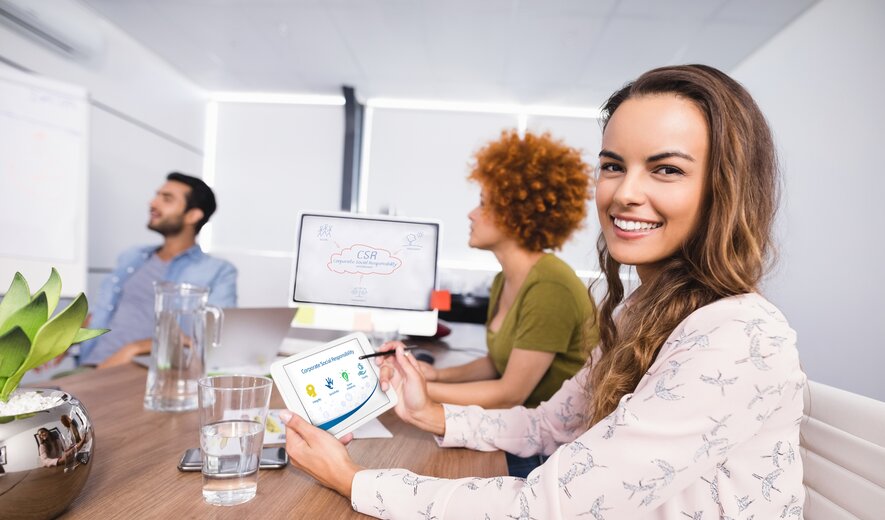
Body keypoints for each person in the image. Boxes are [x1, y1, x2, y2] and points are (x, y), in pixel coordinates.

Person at [279, 64, 807, 519]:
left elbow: (547, 506)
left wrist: (354, 481)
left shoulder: (738, 335)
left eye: (666, 169)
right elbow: (549, 424)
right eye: (612, 166)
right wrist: (425, 411)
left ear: (725, 187)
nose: (623, 193)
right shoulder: (642, 311)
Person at [401, 130, 597, 413]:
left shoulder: (550, 287)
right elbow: (499, 363)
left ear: (516, 212)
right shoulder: (503, 280)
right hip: (515, 425)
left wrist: (411, 389)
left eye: (483, 203)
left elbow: (509, 395)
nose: (471, 214)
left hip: (549, 442)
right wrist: (435, 375)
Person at [78, 172, 237, 368]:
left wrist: (135, 348)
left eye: (167, 199)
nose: (153, 203)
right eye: (157, 195)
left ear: (193, 215)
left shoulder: (218, 271)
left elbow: (213, 340)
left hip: (149, 373)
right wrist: (61, 339)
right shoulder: (132, 256)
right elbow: (103, 311)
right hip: (92, 364)